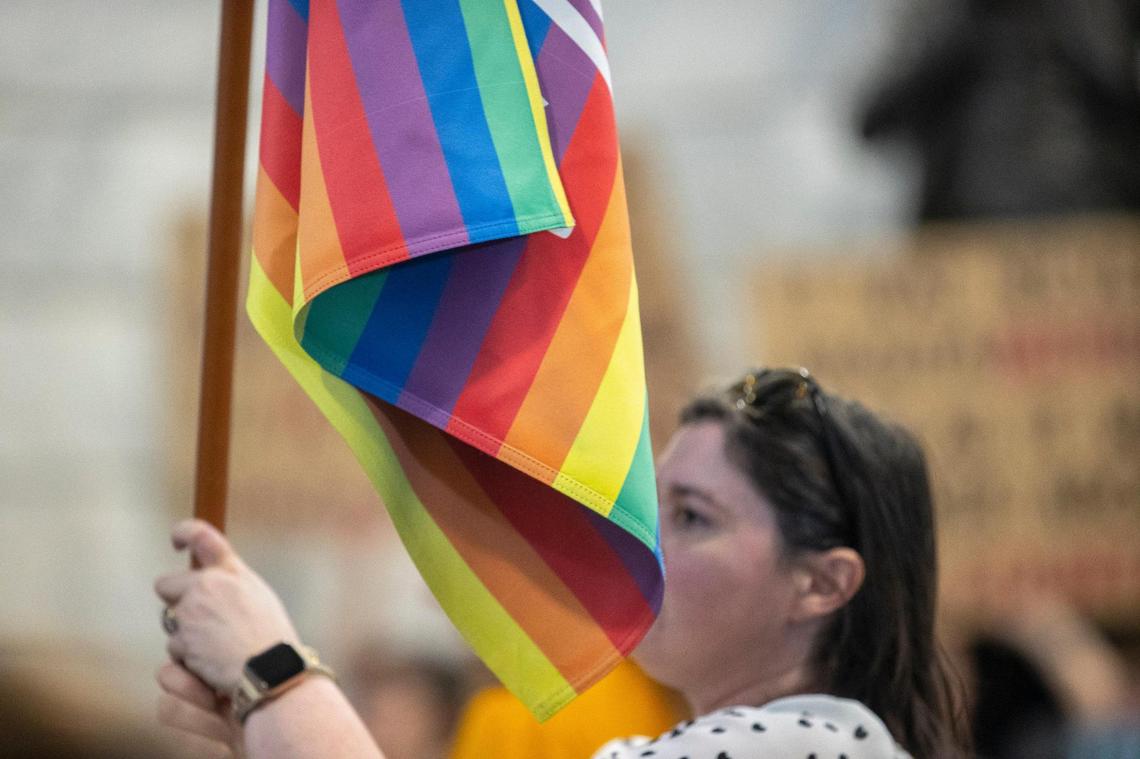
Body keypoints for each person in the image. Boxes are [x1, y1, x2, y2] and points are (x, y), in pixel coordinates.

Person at [154, 367, 968, 757]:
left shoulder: (803, 745)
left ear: (821, 581)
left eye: (692, 517)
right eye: (655, 511)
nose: (645, 548)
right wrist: (269, 721)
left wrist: (275, 670)